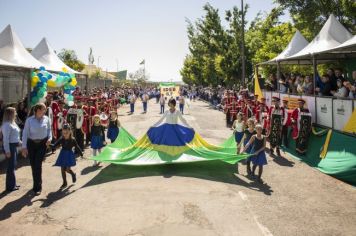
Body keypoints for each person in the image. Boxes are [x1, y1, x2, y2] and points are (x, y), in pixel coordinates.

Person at [22, 103, 52, 195]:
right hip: (31, 144)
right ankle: (37, 183)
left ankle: (37, 187)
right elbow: (25, 134)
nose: (45, 111)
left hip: (42, 144)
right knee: (33, 165)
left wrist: (50, 139)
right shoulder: (29, 120)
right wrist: (24, 147)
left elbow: (49, 130)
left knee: (37, 165)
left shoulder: (47, 119)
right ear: (38, 110)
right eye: (43, 109)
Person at [51, 124, 83, 188]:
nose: (65, 134)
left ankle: (73, 174)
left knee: (67, 170)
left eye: (67, 132)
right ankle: (64, 182)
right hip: (63, 154)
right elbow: (54, 145)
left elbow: (77, 147)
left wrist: (81, 154)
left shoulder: (73, 139)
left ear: (70, 131)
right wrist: (49, 145)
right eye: (64, 132)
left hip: (69, 155)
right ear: (62, 132)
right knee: (62, 169)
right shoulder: (61, 138)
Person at [1, 107, 21, 192]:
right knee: (10, 167)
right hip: (10, 146)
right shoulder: (6, 125)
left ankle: (13, 184)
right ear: (10, 114)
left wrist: (19, 141)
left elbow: (15, 135)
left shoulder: (12, 123)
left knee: (13, 165)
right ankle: (10, 186)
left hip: (14, 146)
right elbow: (5, 139)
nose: (16, 113)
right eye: (14, 112)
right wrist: (7, 151)